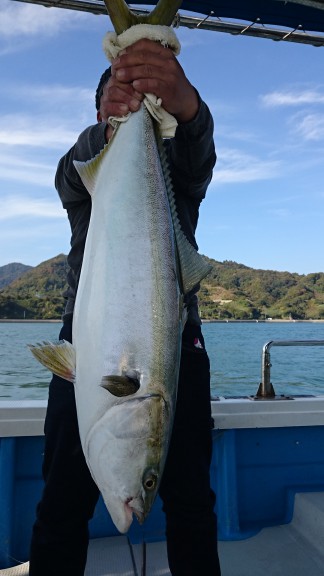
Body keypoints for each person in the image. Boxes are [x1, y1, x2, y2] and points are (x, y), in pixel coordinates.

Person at [29, 38, 221, 576]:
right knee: (61, 502)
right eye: (109, 104)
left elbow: (196, 151)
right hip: (85, 346)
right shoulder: (83, 179)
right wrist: (112, 126)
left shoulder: (180, 172)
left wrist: (185, 106)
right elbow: (72, 170)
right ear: (98, 112)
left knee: (191, 503)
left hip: (175, 346)